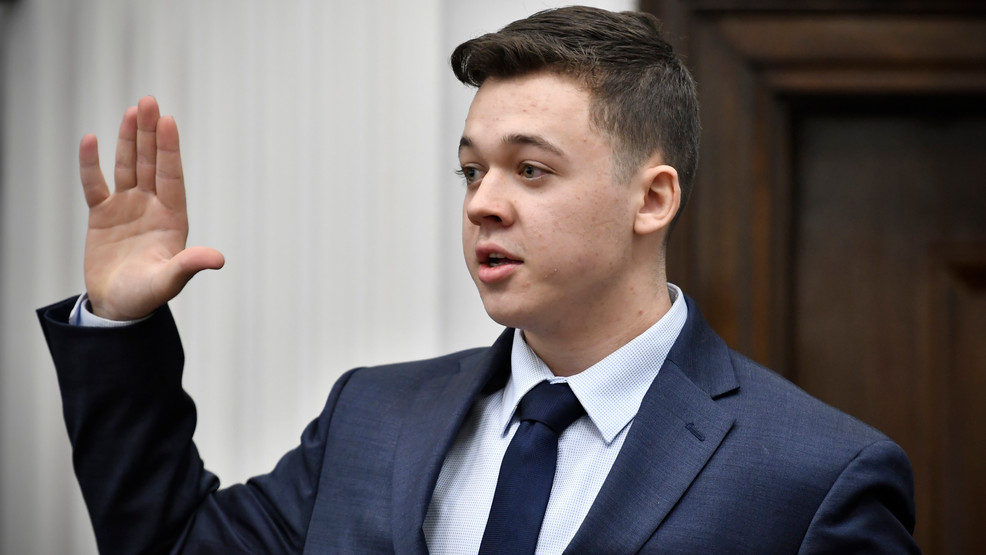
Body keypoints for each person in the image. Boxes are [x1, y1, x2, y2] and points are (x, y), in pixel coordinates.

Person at [37, 6, 919, 554]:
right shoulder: (370, 417)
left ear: (652, 199)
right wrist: (118, 326)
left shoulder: (817, 476)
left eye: (530, 170)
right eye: (471, 171)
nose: (482, 204)